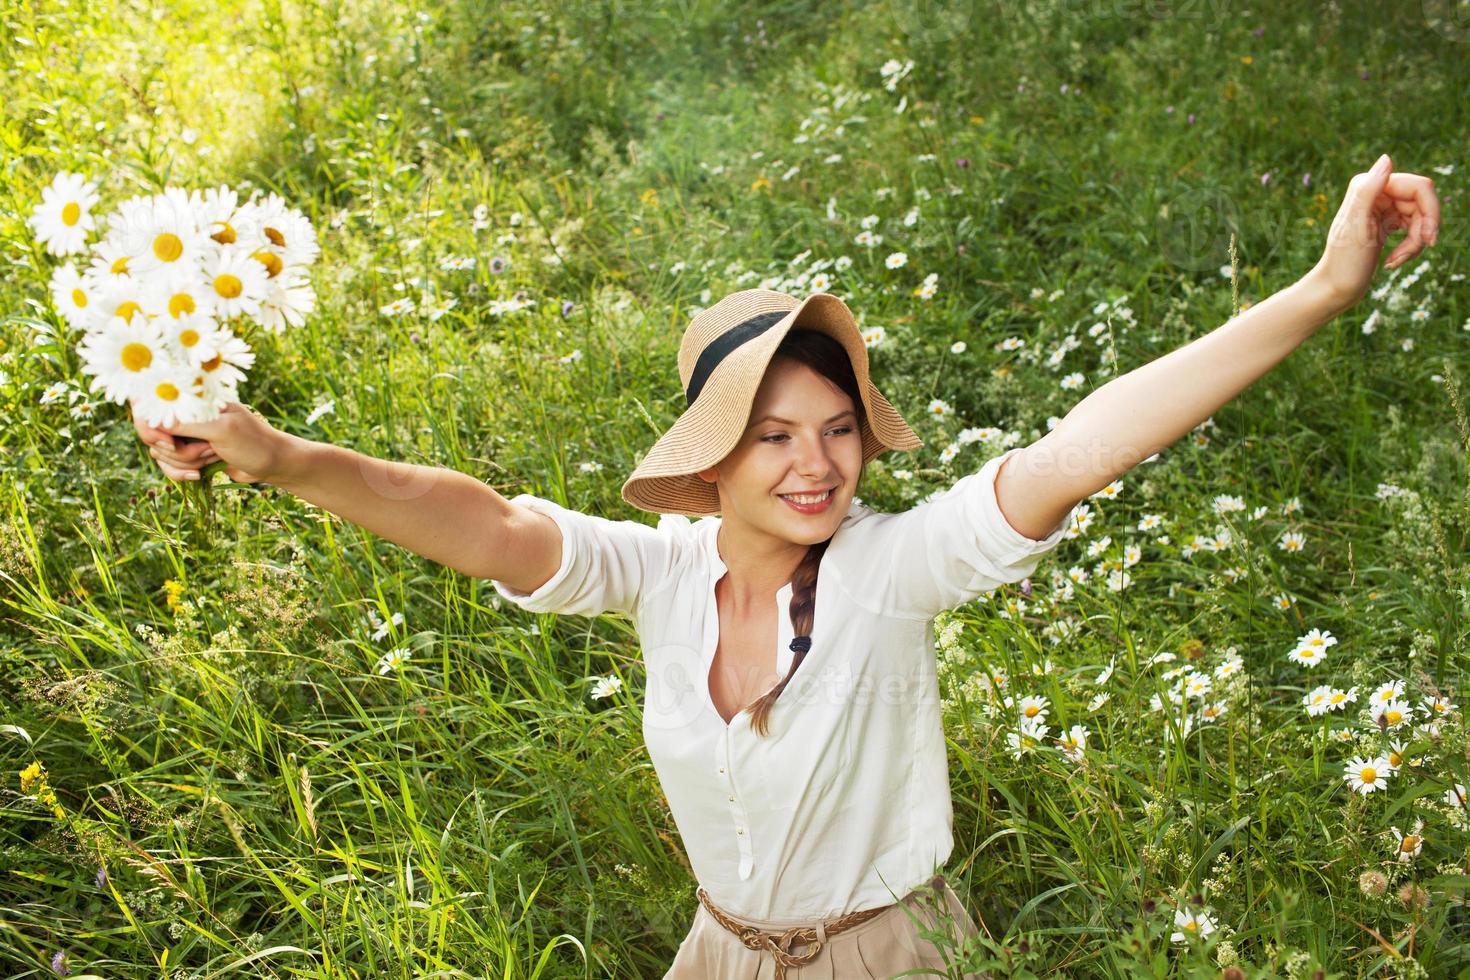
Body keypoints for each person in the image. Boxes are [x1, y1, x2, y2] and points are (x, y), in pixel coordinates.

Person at [133, 154, 1438, 977]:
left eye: (837, 432)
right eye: (773, 437)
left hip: (892, 957)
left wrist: (1319, 290)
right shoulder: (653, 573)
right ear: (709, 462)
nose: (817, 466)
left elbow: (1078, 445)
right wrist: (285, 456)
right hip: (719, 953)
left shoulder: (892, 569)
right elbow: (477, 520)